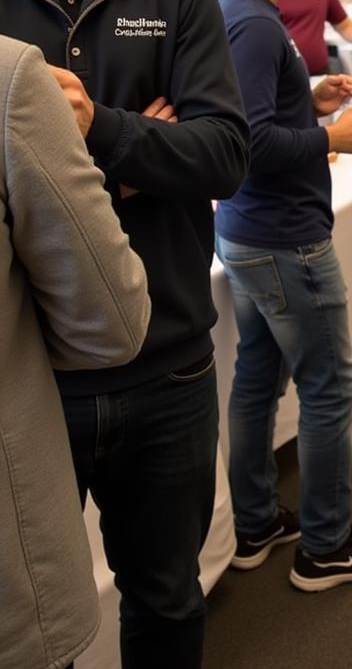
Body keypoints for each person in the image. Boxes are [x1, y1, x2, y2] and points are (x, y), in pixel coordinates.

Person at [0, 0, 249, 667]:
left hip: (167, 363)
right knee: (32, 621)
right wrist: (141, 155)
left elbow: (223, 154)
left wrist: (88, 129)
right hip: (24, 380)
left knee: (167, 600)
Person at [216, 0, 352, 593]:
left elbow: (262, 113)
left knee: (258, 378)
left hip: (250, 229)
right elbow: (247, 140)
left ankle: (257, 521)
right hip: (284, 238)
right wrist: (331, 134)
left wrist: (315, 94)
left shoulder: (243, 14)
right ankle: (325, 548)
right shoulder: (256, 24)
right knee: (330, 390)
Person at [0, 36, 151, 669]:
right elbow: (109, 323)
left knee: (162, 591)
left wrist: (115, 133)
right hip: (11, 567)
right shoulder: (12, 76)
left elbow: (225, 152)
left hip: (168, 377)